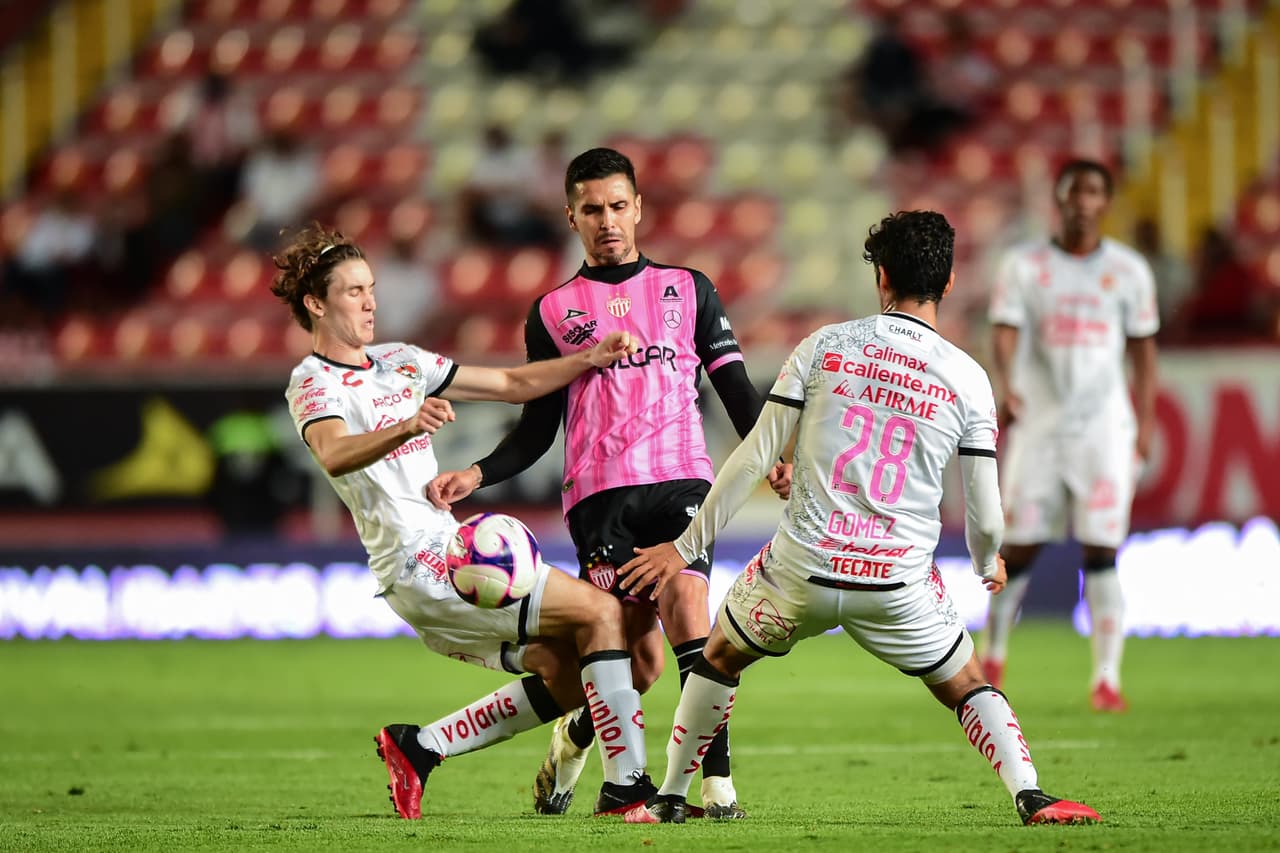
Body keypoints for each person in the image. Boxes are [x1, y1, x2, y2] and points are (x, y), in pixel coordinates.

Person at [614, 210, 1102, 827]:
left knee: (716, 658)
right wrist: (987, 562)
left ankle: (669, 798)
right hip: (897, 584)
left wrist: (685, 547)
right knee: (967, 683)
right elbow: (985, 506)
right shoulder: (969, 379)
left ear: (882, 276)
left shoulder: (826, 346)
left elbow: (754, 458)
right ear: (948, 284)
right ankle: (1030, 793)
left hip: (801, 572)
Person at [427, 147, 790, 819]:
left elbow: (735, 387)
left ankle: (715, 787)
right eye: (592, 209)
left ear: (638, 208)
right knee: (638, 663)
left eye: (618, 206)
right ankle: (574, 736)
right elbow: (539, 427)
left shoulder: (689, 288)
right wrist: (477, 473)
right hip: (600, 500)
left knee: (689, 604)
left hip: (683, 480)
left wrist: (774, 454)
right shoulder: (553, 311)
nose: (607, 221)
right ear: (571, 217)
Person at [272, 223, 656, 820]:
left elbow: (512, 384)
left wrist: (589, 358)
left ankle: (420, 746)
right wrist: (406, 425)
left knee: (567, 671)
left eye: (371, 288)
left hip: (450, 546)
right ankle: (627, 789)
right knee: (602, 613)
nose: (370, 302)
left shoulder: (402, 361)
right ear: (316, 304)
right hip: (419, 563)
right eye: (353, 291)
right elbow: (334, 452)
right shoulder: (312, 382)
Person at [979, 159, 1160, 713]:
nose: (1083, 201)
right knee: (1018, 548)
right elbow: (1005, 331)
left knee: (1103, 549)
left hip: (1105, 430)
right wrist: (1008, 385)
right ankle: (993, 657)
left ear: (1106, 202)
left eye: (1094, 191)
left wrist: (1146, 421)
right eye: (1074, 190)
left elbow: (1143, 351)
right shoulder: (1025, 266)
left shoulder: (1129, 271)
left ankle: (1106, 678)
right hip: (1041, 427)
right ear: (1058, 198)